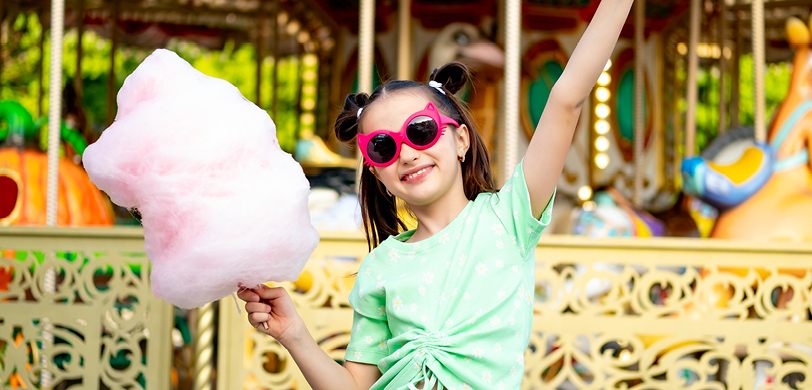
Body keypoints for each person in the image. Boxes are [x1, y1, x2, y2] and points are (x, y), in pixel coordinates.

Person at [239, 1, 634, 388]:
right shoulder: (382, 265)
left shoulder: (508, 218)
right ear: (375, 173)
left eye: (421, 130)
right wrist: (294, 334)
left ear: (460, 139)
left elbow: (567, 99)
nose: (408, 153)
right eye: (383, 146)